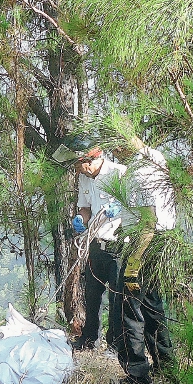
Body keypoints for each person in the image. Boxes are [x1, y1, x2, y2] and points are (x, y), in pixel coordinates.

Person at [110, 136, 177, 384]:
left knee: (129, 312)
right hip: (159, 243)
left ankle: (137, 375)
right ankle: (166, 368)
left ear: (123, 144)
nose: (114, 154)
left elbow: (148, 222)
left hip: (144, 246)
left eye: (115, 147)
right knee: (152, 309)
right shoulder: (156, 157)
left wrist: (132, 264)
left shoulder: (140, 171)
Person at [66, 136, 129, 352]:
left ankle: (115, 343)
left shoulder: (120, 173)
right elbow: (85, 208)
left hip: (118, 246)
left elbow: (136, 205)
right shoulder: (85, 178)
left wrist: (120, 210)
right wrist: (80, 221)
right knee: (91, 295)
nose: (78, 170)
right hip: (95, 244)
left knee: (116, 298)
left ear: (90, 160)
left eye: (79, 165)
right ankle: (89, 339)